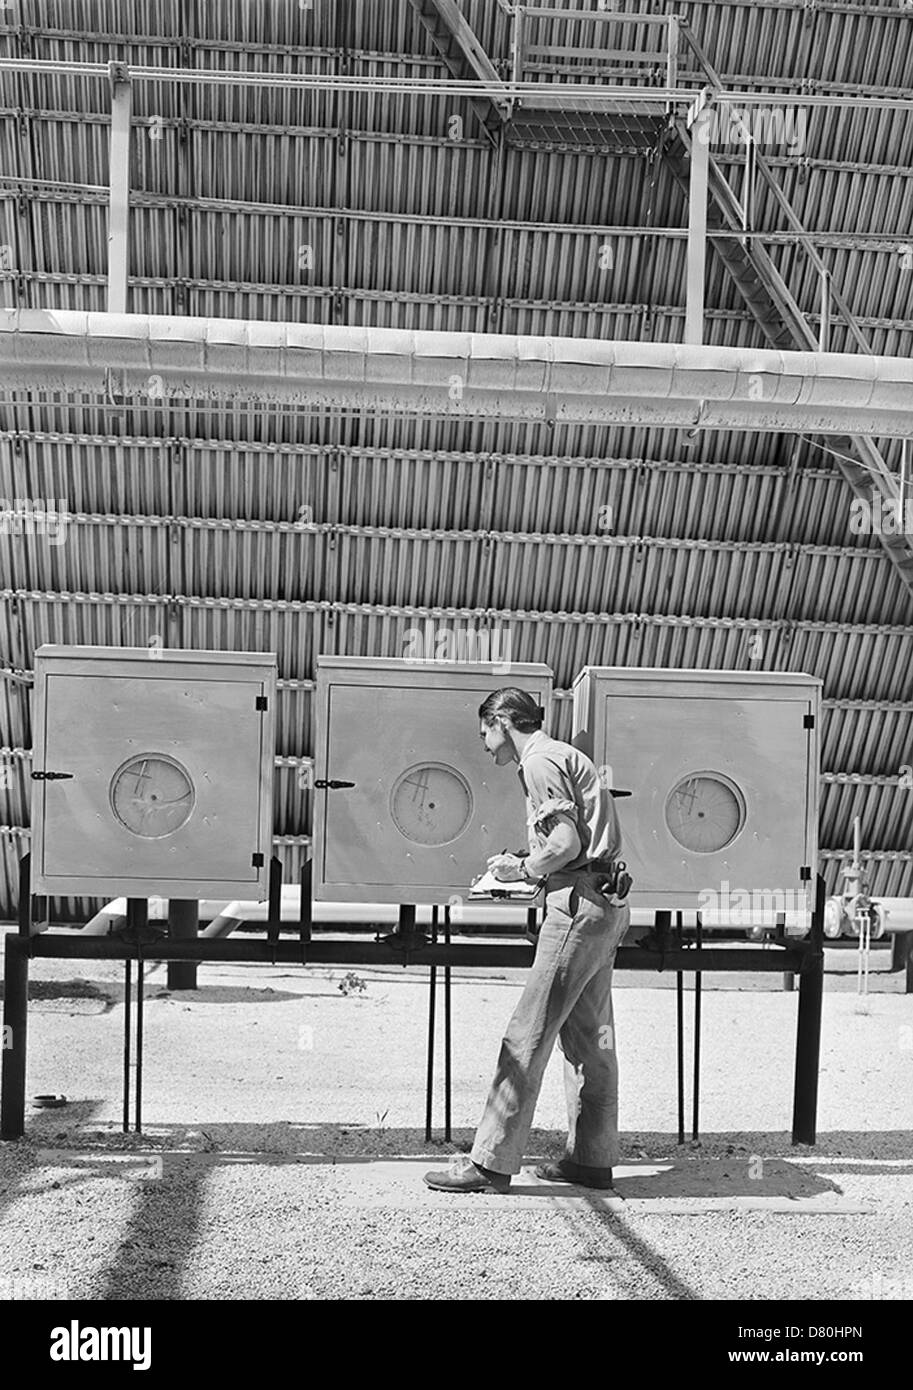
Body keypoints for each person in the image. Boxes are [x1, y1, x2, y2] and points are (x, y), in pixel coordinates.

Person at [424, 687, 630, 1194]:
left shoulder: (539, 762)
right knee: (591, 1039)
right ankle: (591, 1159)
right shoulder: (565, 756)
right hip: (607, 902)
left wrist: (519, 869)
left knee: (526, 1035)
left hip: (577, 907)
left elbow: (565, 844)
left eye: (485, 735)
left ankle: (490, 1162)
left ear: (501, 722)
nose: (485, 746)